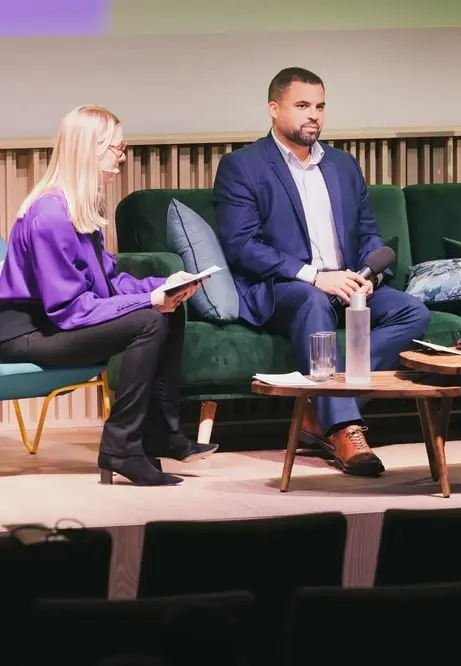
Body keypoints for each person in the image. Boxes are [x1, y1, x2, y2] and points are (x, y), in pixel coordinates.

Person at [213, 67, 429, 477]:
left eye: (320, 106)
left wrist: (368, 274)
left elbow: (368, 232)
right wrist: (313, 275)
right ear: (274, 108)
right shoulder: (243, 166)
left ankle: (319, 404)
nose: (314, 115)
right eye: (302, 105)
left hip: (347, 281)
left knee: (412, 313)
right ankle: (345, 427)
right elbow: (242, 247)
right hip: (285, 287)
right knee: (314, 302)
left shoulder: (343, 166)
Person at [0, 105, 216, 486]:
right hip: (25, 334)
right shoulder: (49, 215)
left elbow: (109, 281)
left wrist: (164, 287)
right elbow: (68, 309)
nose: (122, 156)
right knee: (149, 318)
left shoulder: (78, 207)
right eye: (117, 148)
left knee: (169, 308)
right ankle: (121, 447)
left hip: (55, 323)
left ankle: (159, 433)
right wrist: (148, 303)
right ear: (90, 149)